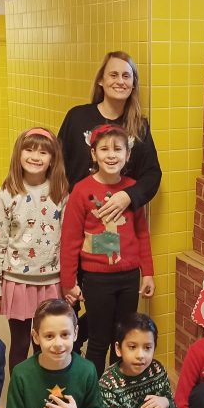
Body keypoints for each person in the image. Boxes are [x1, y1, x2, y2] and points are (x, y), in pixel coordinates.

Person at [58, 51, 161, 355]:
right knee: (79, 311)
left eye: (126, 76)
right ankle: (72, 368)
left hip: (120, 238)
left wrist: (128, 196)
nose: (120, 81)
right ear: (101, 81)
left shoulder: (139, 126)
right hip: (81, 224)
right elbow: (59, 164)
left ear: (133, 83)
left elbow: (152, 175)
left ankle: (108, 373)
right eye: (113, 74)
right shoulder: (78, 117)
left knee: (112, 324)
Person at [60, 124, 155, 373]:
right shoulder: (81, 191)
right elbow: (70, 240)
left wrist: (147, 273)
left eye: (117, 149)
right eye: (104, 149)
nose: (111, 155)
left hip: (129, 278)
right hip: (97, 280)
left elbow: (142, 235)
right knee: (99, 340)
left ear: (128, 155)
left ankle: (117, 388)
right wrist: (68, 282)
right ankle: (94, 390)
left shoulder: (132, 189)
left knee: (122, 339)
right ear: (93, 154)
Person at [0, 127, 68, 371]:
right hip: (17, 281)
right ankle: (21, 390)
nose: (35, 156)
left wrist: (70, 281)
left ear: (52, 158)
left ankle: (44, 388)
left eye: (43, 152)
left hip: (51, 281)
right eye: (29, 150)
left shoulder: (61, 192)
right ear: (18, 154)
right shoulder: (6, 194)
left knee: (46, 343)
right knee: (20, 344)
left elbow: (68, 241)